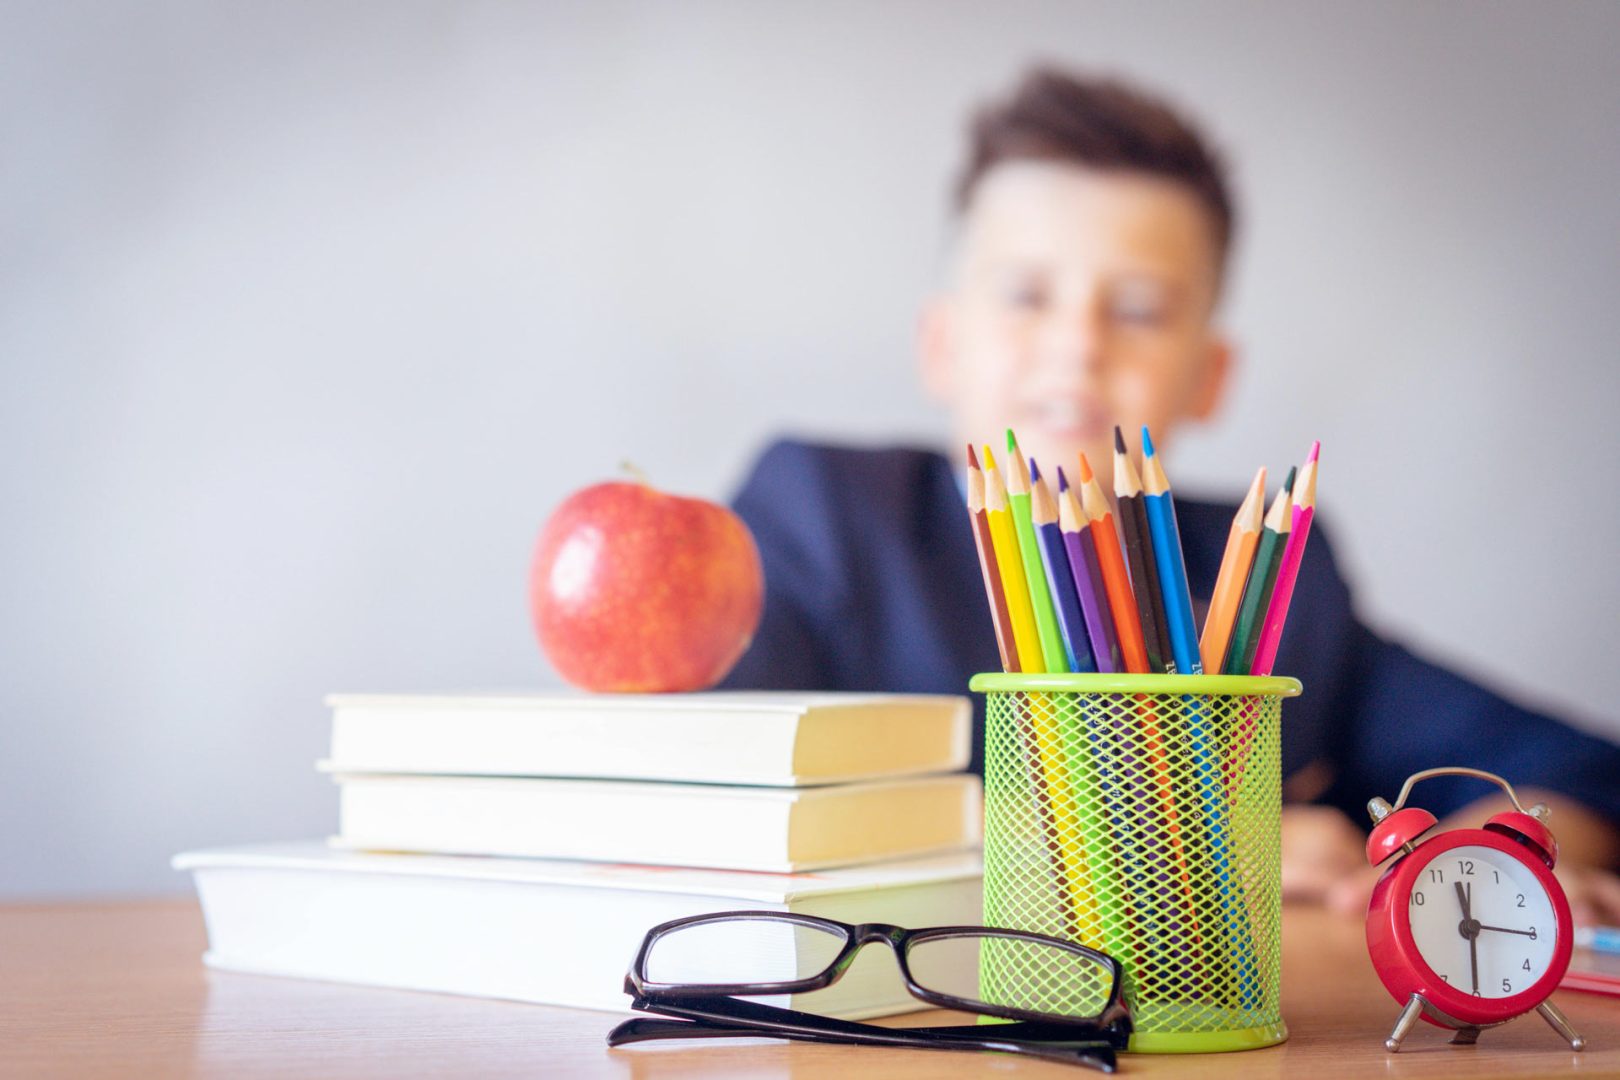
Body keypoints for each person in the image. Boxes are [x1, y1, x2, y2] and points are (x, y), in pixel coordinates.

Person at [720, 67, 1620, 923]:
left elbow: (1573, 770)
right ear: (941, 345)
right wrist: (1193, 851)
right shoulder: (824, 513)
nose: (1078, 344)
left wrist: (1486, 863)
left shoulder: (1269, 573)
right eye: (1027, 294)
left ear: (1209, 377)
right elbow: (714, 790)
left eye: (1142, 309)